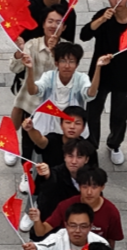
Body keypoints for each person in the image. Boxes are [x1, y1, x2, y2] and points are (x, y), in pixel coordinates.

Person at [80, 0, 127, 165]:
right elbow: (84, 35)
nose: (118, 1)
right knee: (93, 112)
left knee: (120, 115)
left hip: (124, 77)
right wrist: (101, 19)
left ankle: (114, 144)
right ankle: (91, 146)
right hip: (99, 75)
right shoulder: (103, 16)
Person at [7, 6, 66, 168]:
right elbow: (15, 68)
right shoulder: (32, 45)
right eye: (50, 21)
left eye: (59, 22)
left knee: (49, 141)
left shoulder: (67, 49)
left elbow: (67, 76)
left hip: (54, 105)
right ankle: (26, 172)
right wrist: (19, 53)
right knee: (28, 139)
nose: (54, 26)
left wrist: (55, 52)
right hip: (31, 101)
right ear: (43, 24)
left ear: (64, 27)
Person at [21, 41, 90, 175]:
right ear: (56, 63)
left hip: (70, 125)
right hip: (48, 123)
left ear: (77, 64)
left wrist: (98, 68)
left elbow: (91, 94)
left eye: (71, 61)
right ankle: (30, 174)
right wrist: (30, 69)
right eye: (63, 61)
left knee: (71, 155)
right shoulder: (49, 77)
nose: (67, 65)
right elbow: (33, 90)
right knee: (41, 152)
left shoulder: (81, 78)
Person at [40, 166, 125, 244]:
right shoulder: (65, 206)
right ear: (79, 186)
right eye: (85, 187)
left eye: (94, 187)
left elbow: (111, 240)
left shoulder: (111, 212)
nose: (89, 192)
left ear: (102, 187)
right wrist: (36, 219)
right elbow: (42, 231)